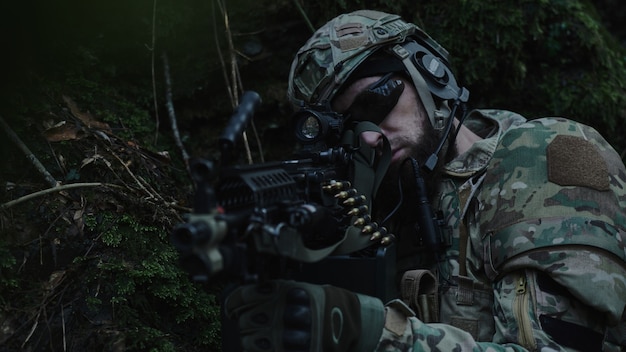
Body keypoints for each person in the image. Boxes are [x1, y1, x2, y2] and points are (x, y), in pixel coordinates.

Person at [224, 9, 626, 351]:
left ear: (429, 73)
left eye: (375, 101)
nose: (368, 135)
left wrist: (370, 331)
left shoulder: (543, 154)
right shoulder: (379, 203)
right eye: (344, 127)